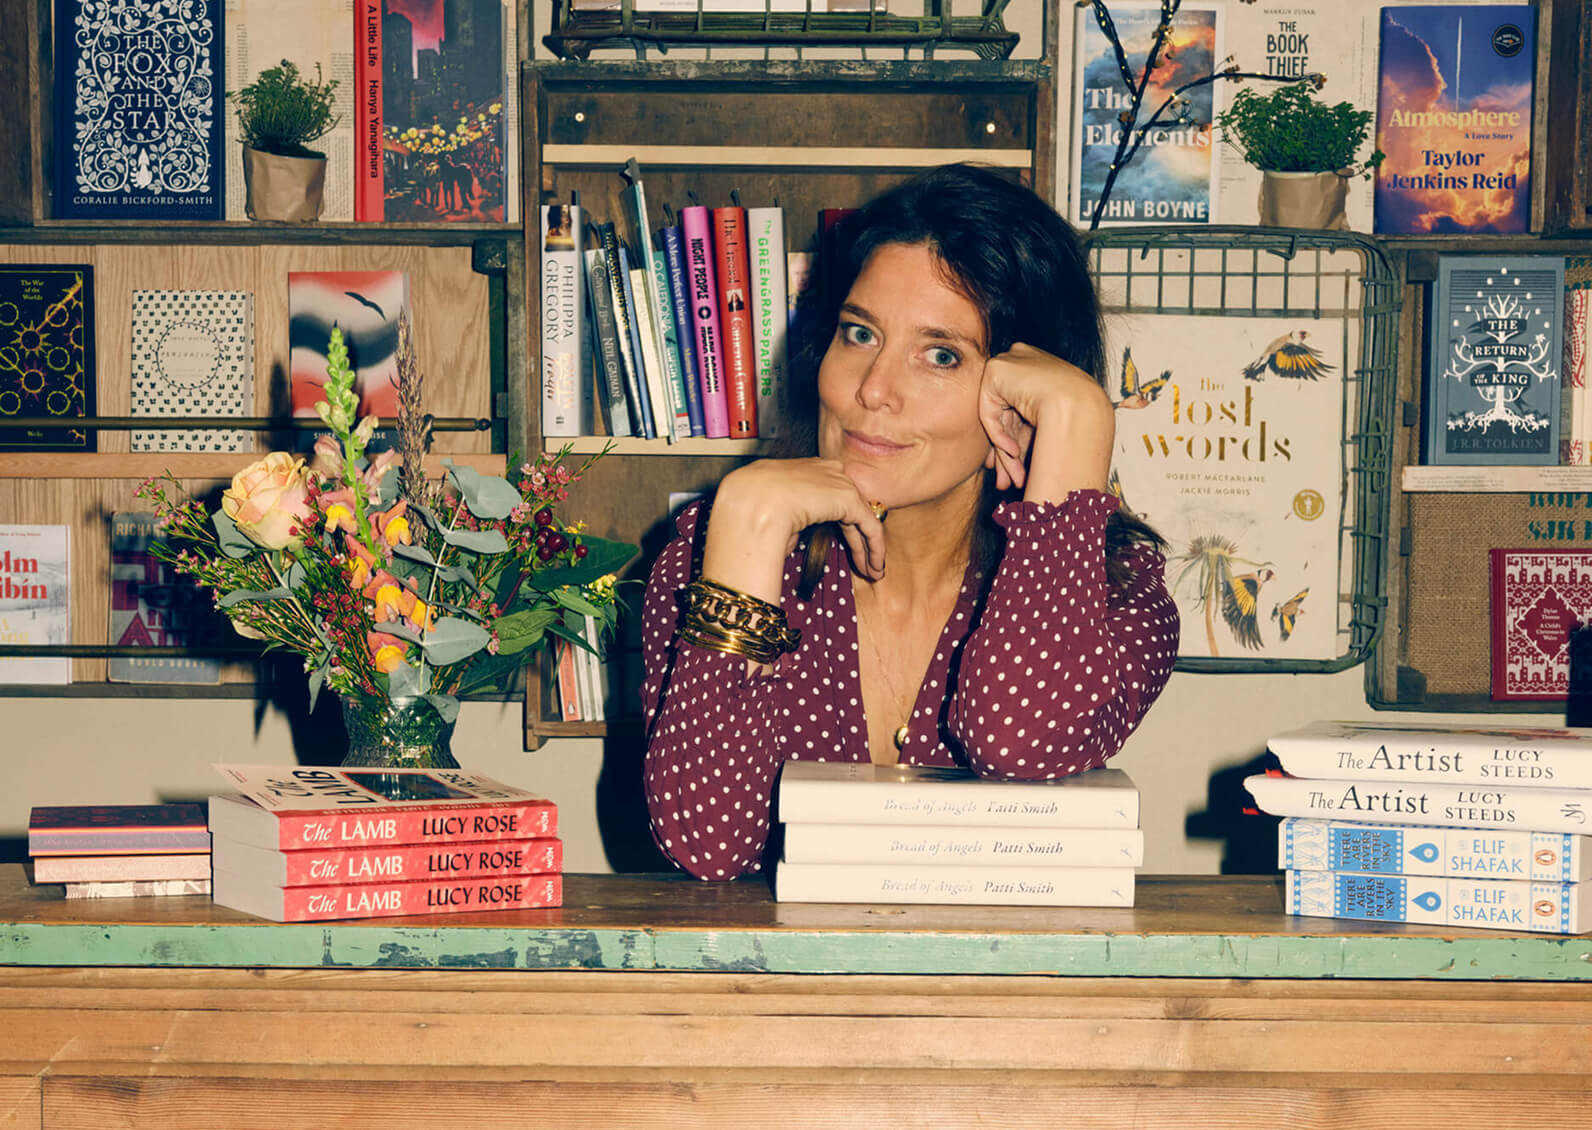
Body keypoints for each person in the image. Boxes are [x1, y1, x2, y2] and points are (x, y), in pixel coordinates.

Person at [640, 164, 1179, 881]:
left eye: (941, 355)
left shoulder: (1114, 596)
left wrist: (1078, 424)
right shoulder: (716, 557)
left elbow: (1019, 739)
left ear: (1022, 392)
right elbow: (707, 845)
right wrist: (747, 517)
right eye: (859, 334)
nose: (872, 391)